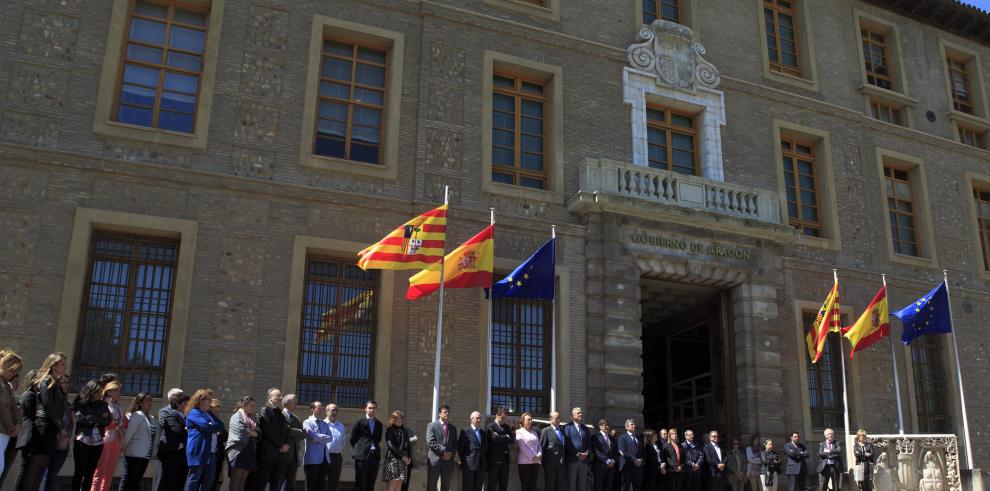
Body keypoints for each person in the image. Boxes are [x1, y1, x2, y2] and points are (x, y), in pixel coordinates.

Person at [17, 353, 69, 491]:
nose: (65, 367)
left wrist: (58, 428)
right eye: (63, 364)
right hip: (43, 428)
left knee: (41, 471)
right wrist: (60, 427)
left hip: (52, 430)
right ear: (53, 365)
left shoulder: (57, 384)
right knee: (34, 470)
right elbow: (47, 405)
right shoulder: (46, 381)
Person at [41, 373, 74, 491]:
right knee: (43, 476)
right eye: (63, 382)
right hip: (52, 442)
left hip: (64, 446)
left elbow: (70, 425)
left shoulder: (68, 404)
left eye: (68, 383)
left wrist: (67, 439)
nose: (66, 385)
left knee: (52, 477)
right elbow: (51, 419)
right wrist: (59, 436)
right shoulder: (52, 403)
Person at [90, 379, 125, 491]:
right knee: (100, 471)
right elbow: (101, 420)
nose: (118, 393)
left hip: (116, 439)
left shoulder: (119, 406)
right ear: (108, 391)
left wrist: (119, 424)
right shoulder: (103, 404)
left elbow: (123, 422)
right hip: (105, 438)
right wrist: (114, 422)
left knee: (109, 473)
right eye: (115, 390)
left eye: (119, 390)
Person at [185, 389, 222, 491]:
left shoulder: (209, 413)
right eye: (208, 400)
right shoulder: (194, 413)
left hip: (211, 452)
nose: (210, 402)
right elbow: (206, 426)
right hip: (199, 450)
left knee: (208, 480)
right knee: (194, 479)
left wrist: (213, 425)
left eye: (211, 400)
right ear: (200, 400)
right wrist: (213, 425)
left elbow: (221, 425)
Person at [121, 392, 156, 491]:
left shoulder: (151, 418)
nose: (150, 402)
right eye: (147, 400)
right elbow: (128, 434)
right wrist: (122, 448)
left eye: (151, 400)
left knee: (136, 481)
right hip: (134, 454)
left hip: (145, 454)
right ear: (140, 402)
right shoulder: (137, 415)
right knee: (128, 480)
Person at [258, 388, 292, 491]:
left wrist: (287, 444)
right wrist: (281, 445)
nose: (281, 397)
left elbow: (287, 431)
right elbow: (268, 431)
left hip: (280, 455)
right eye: (278, 396)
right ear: (270, 398)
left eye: (281, 395)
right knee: (262, 483)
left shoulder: (281, 414)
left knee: (276, 484)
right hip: (268, 454)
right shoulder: (264, 410)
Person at [157, 388, 189, 491]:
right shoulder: (170, 413)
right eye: (185, 403)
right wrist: (189, 429)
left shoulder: (185, 417)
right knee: (168, 482)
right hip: (172, 451)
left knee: (179, 483)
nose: (187, 406)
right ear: (178, 403)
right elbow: (177, 430)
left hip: (182, 454)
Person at [226, 396, 260, 491]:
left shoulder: (252, 419)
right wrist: (253, 433)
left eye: (254, 405)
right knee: (236, 478)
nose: (253, 408)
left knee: (243, 479)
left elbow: (259, 433)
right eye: (251, 405)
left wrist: (252, 432)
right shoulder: (236, 416)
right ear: (244, 405)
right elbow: (241, 431)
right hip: (238, 450)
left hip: (249, 450)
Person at [350, 400, 382, 491]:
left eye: (374, 408)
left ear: (376, 409)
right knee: (360, 483)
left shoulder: (379, 424)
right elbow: (353, 439)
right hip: (362, 457)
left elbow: (377, 439)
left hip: (374, 457)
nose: (372, 410)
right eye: (370, 408)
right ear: (365, 409)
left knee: (371, 483)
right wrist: (360, 449)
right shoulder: (359, 422)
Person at [0, 350, 22, 483]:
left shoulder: (7, 385)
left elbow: (15, 408)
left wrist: (18, 424)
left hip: (6, 433)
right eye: (13, 369)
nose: (15, 374)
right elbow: (1, 407)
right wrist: (11, 427)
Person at [303, 401, 333, 491]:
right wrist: (323, 437)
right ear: (312, 409)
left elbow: (331, 438)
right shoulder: (307, 422)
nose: (320, 410)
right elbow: (313, 437)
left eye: (322, 408)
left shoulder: (325, 423)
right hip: (312, 458)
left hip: (324, 458)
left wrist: (319, 437)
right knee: (311, 485)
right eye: (318, 408)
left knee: (321, 485)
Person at [426, 405, 457, 491]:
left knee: (446, 487)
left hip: (448, 462)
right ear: (439, 413)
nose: (447, 413)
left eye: (448, 412)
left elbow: (455, 443)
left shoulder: (453, 428)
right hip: (435, 462)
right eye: (444, 412)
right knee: (431, 487)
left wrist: (451, 454)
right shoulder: (432, 426)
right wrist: (444, 452)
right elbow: (431, 442)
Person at [457, 411, 487, 491]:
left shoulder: (483, 433)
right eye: (477, 418)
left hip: (480, 466)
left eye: (479, 418)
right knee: (468, 487)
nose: (478, 420)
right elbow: (460, 449)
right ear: (471, 419)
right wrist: (465, 462)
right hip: (469, 466)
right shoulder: (465, 431)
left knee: (478, 488)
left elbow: (484, 448)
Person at [281, 394, 305, 491]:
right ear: (287, 403)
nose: (296, 404)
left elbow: (303, 435)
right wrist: (296, 432)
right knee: (280, 482)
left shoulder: (296, 419)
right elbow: (285, 431)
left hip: (294, 455)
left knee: (290, 484)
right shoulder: (280, 416)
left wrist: (293, 431)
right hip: (283, 454)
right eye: (294, 402)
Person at [488, 406, 515, 491]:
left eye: (506, 418)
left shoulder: (506, 427)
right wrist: (505, 437)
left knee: (503, 484)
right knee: (492, 483)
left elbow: (512, 440)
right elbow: (494, 439)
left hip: (505, 460)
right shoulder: (491, 426)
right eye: (502, 418)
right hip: (494, 460)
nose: (504, 420)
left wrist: (500, 437)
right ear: (497, 415)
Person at [383, 410, 411, 491]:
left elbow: (407, 446)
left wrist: (408, 458)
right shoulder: (390, 430)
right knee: (393, 483)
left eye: (400, 418)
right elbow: (390, 445)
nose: (399, 420)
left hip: (403, 461)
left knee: (399, 484)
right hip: (393, 460)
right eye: (396, 418)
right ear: (393, 420)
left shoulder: (404, 431)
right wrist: (402, 456)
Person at [564, 407, 591, 491]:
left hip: (584, 461)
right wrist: (577, 454)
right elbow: (567, 442)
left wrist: (586, 453)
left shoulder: (585, 428)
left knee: (582, 485)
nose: (580, 414)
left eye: (581, 413)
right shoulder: (568, 427)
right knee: (572, 484)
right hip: (573, 460)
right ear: (572, 416)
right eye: (578, 413)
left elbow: (589, 443)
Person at [540, 411, 567, 491]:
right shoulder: (546, 431)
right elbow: (542, 447)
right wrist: (545, 463)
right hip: (550, 464)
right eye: (556, 418)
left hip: (561, 464)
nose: (559, 420)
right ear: (550, 419)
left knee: (559, 486)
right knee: (550, 486)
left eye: (559, 418)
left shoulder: (563, 431)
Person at [516, 412, 542, 491]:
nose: (530, 421)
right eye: (528, 420)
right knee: (525, 485)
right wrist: (533, 457)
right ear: (523, 421)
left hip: (535, 462)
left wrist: (539, 454)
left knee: (533, 485)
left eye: (531, 420)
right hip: (524, 463)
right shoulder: (519, 432)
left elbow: (538, 445)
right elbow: (522, 446)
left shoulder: (534, 432)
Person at [592, 419, 619, 491]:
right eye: (605, 425)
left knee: (608, 487)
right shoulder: (595, 437)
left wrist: (613, 460)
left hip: (611, 468)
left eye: (608, 425)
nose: (607, 427)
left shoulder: (612, 438)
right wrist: (607, 461)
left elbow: (616, 452)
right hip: (600, 467)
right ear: (600, 426)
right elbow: (596, 451)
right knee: (598, 487)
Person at [323, 403, 345, 491]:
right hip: (324, 456)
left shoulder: (341, 426)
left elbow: (343, 441)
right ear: (327, 411)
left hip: (336, 457)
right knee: (322, 482)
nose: (334, 412)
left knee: (334, 483)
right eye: (332, 410)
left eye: (336, 410)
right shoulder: (322, 424)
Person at [618, 419, 644, 491]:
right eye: (632, 424)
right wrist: (634, 460)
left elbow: (642, 451)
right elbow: (623, 451)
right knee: (625, 487)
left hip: (638, 467)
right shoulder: (622, 437)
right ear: (626, 427)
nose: (634, 426)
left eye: (634, 424)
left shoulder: (639, 437)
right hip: (627, 466)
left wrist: (640, 460)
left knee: (637, 487)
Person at [208, 397, 228, 491]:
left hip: (218, 455)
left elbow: (224, 437)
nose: (217, 413)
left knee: (216, 480)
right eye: (215, 411)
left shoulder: (219, 422)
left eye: (218, 411)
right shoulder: (206, 421)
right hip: (209, 456)